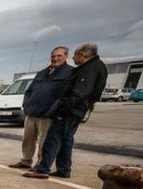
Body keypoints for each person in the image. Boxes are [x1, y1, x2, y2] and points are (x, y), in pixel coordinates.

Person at [24, 43, 107, 179]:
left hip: (71, 111)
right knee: (66, 140)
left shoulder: (89, 69)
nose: (73, 59)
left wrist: (62, 110)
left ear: (83, 55)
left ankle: (42, 169)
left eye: (74, 56)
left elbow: (79, 93)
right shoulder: (91, 67)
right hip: (75, 110)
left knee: (53, 139)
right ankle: (64, 169)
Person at [9, 47, 72, 170]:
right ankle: (26, 160)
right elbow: (29, 90)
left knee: (44, 141)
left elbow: (65, 95)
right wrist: (26, 104)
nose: (55, 59)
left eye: (59, 56)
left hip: (48, 115)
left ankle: (40, 163)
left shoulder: (69, 73)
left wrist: (54, 110)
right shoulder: (42, 73)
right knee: (28, 139)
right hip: (32, 112)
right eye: (53, 56)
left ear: (66, 56)